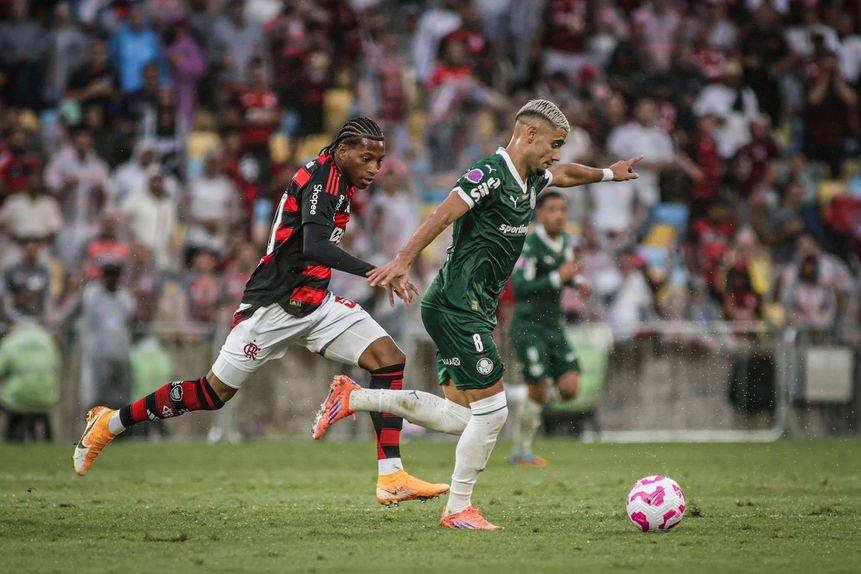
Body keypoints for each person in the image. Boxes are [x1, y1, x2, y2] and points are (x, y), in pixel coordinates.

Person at [73, 118, 448, 507]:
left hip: (315, 303)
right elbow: (315, 246)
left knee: (388, 359)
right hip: (274, 306)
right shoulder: (323, 181)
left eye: (379, 161)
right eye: (366, 158)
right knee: (212, 393)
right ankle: (109, 422)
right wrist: (375, 271)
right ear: (342, 151)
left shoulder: (338, 178)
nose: (373, 168)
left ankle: (392, 476)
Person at [313, 100, 641, 529]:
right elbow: (444, 213)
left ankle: (353, 397)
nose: (557, 153)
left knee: (464, 418)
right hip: (457, 304)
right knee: (495, 412)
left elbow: (564, 175)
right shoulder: (490, 173)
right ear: (529, 134)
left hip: (470, 307)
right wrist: (404, 261)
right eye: (554, 143)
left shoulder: (532, 177)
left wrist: (608, 174)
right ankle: (458, 510)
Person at [508, 191, 589, 466]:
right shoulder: (530, 246)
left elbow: (565, 273)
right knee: (540, 387)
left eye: (563, 209)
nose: (559, 215)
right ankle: (521, 451)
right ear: (540, 214)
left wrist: (577, 281)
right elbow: (520, 287)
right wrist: (558, 277)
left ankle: (516, 393)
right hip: (528, 325)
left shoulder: (565, 241)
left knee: (570, 388)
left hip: (554, 325)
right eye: (552, 209)